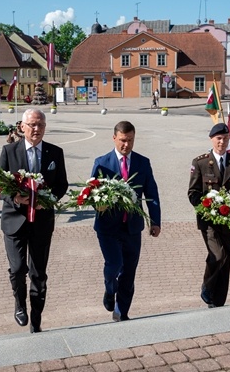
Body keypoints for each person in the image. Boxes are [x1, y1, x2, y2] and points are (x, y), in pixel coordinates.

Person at [0, 108, 68, 333]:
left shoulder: (55, 153)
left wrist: (47, 201)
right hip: (14, 220)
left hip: (42, 221)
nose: (36, 129)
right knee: (18, 268)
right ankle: (20, 304)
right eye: (32, 125)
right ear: (22, 127)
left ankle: (37, 316)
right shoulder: (9, 151)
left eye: (41, 125)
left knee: (38, 273)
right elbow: (0, 183)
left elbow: (61, 185)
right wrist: (16, 197)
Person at [90, 121, 161, 322]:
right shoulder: (102, 163)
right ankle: (109, 287)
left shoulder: (142, 163)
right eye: (122, 140)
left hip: (132, 227)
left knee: (129, 272)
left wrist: (155, 221)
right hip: (107, 228)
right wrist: (99, 205)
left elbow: (152, 194)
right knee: (114, 264)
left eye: (130, 140)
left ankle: (122, 313)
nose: (126, 145)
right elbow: (91, 193)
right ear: (114, 138)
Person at [188, 123, 230, 308]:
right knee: (217, 254)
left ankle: (218, 302)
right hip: (209, 221)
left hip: (229, 220)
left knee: (225, 260)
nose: (222, 142)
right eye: (218, 138)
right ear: (211, 139)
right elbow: (193, 193)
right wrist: (207, 208)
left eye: (225, 138)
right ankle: (207, 287)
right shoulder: (200, 162)